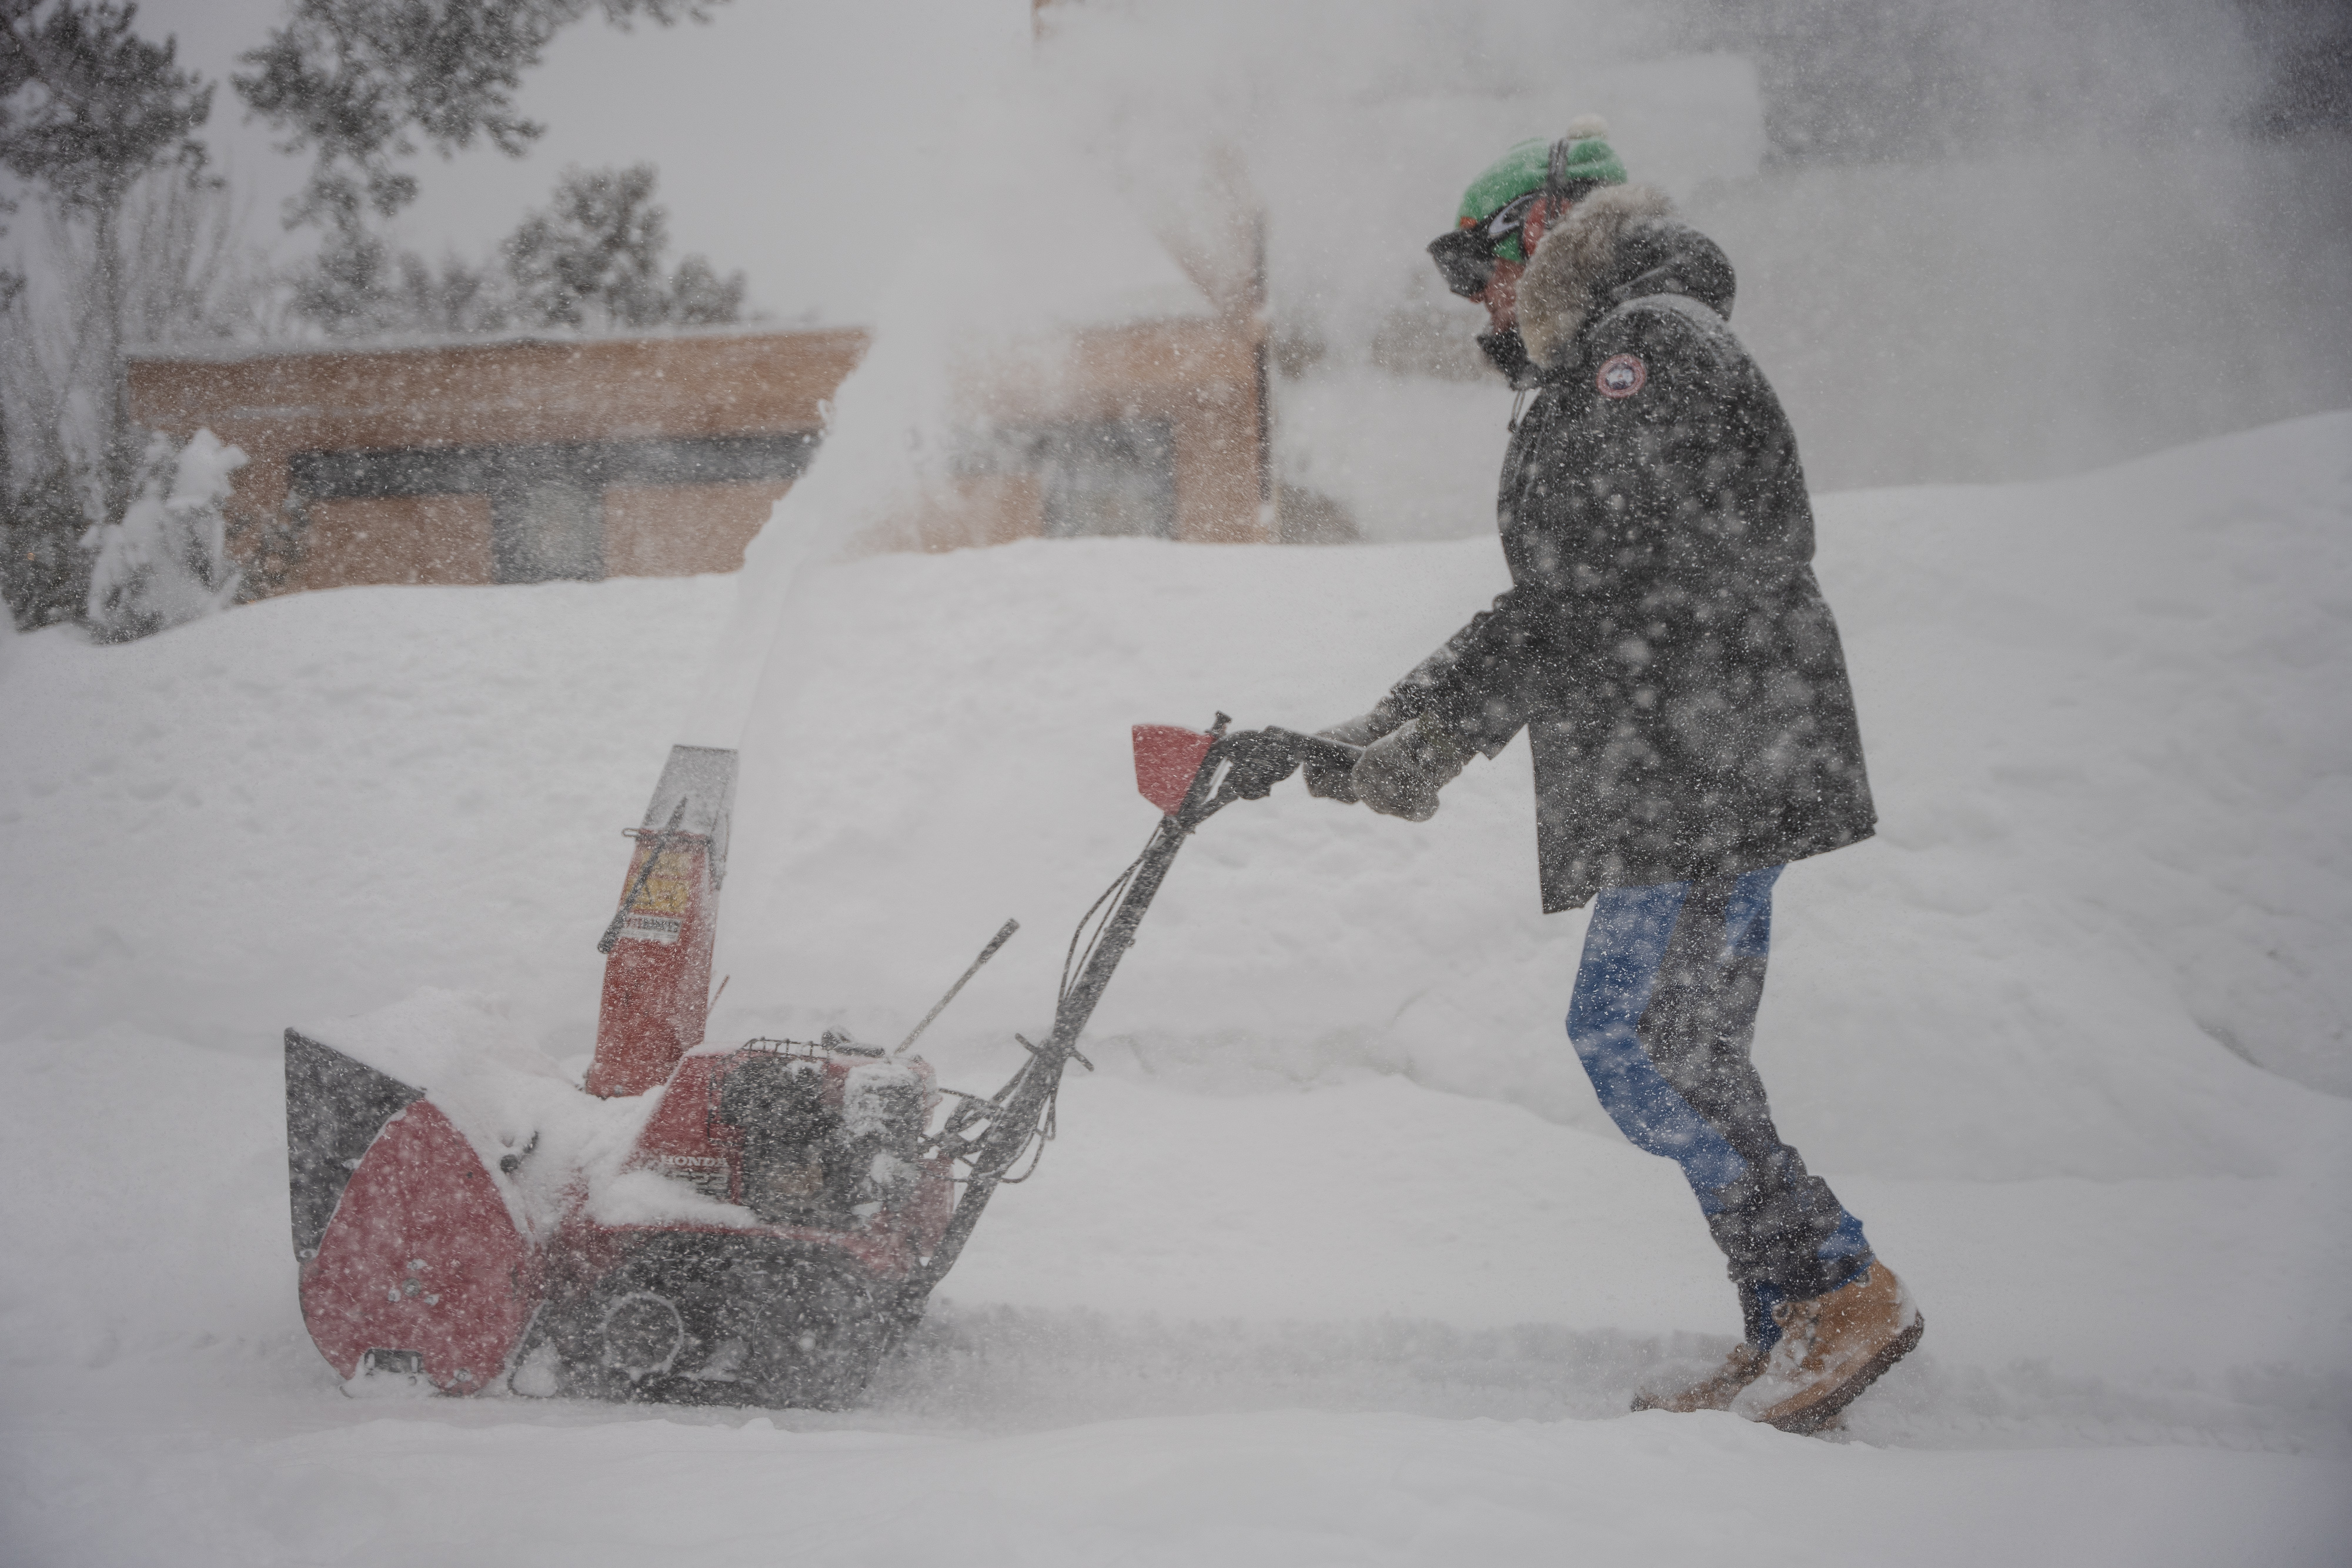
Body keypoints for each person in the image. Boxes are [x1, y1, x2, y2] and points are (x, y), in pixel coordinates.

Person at [1308, 118, 1921, 1434]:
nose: (1477, 299)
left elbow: (1597, 589)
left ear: (1542, 230)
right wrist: (1393, 720)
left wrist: (1440, 736)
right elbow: (1560, 593)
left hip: (1709, 756)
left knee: (1639, 1037)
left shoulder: (1642, 351)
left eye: (1479, 265)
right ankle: (1785, 1318)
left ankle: (1836, 1288)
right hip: (1692, 755)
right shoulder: (1609, 359)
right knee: (1679, 1043)